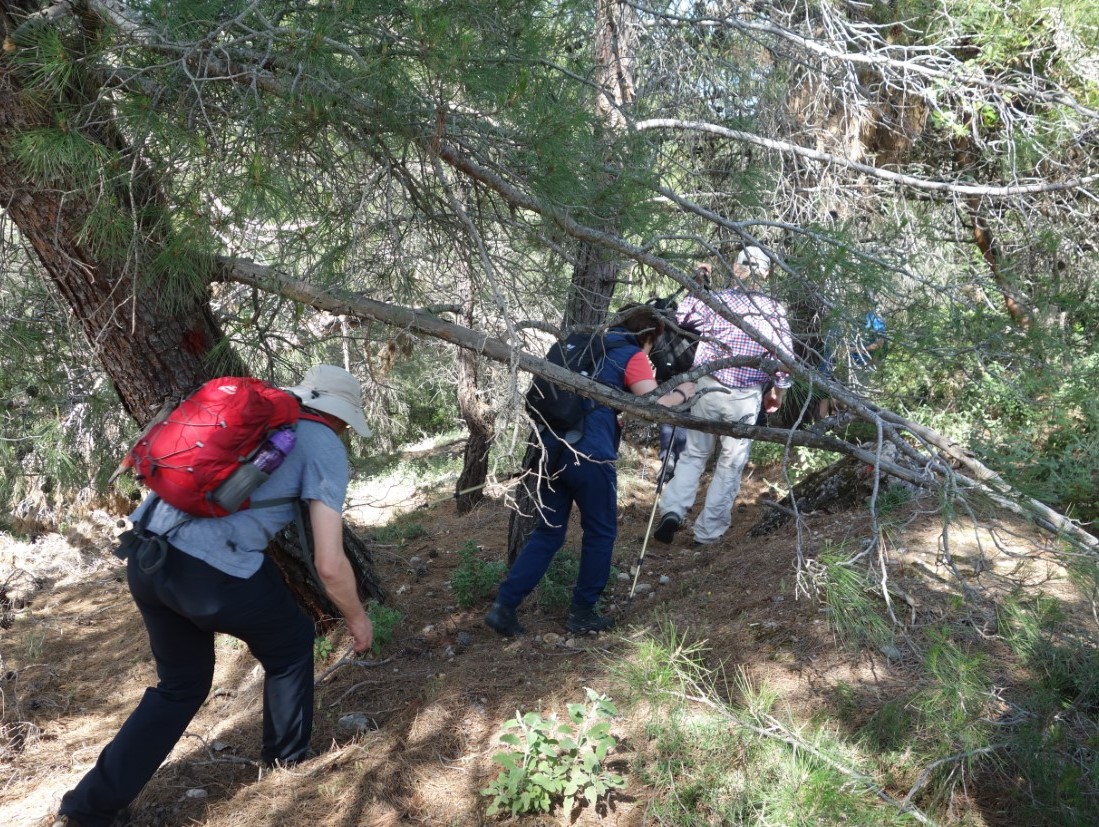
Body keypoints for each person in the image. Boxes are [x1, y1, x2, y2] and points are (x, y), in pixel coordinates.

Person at [48, 365, 374, 827]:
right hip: (209, 575)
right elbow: (329, 562)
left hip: (145, 557)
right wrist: (357, 619)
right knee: (291, 643)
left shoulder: (257, 417)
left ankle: (87, 808)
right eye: (345, 423)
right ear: (338, 416)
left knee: (179, 687)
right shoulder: (323, 443)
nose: (343, 431)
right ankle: (287, 763)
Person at [485, 307, 695, 637]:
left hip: (551, 451)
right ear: (649, 336)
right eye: (654, 343)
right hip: (589, 456)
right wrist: (685, 390)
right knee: (600, 532)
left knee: (548, 533)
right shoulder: (631, 354)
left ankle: (504, 607)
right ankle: (582, 612)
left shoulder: (587, 349)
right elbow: (655, 404)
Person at [654, 246, 795, 546]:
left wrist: (698, 284)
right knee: (730, 465)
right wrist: (777, 394)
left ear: (735, 268)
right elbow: (784, 360)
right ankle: (707, 532)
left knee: (694, 454)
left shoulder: (715, 301)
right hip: (744, 397)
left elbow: (681, 318)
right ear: (766, 274)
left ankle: (673, 510)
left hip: (707, 386)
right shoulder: (774, 311)